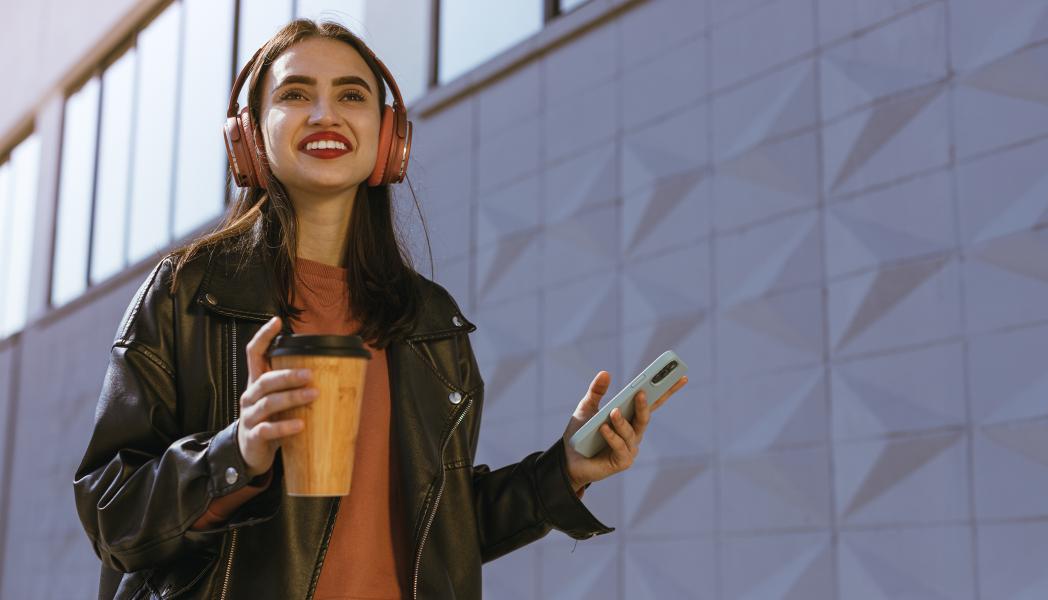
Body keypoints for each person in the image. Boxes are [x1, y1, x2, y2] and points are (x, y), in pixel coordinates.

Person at [72, 19, 687, 599]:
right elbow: (112, 516)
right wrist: (236, 456)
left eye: (351, 96)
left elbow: (436, 525)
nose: (324, 114)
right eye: (294, 93)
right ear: (250, 135)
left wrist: (566, 470)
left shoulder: (428, 318)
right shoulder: (186, 293)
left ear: (388, 139)